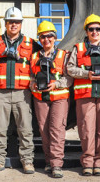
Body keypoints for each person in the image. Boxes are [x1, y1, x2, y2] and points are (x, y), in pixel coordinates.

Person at [0, 7, 42, 174]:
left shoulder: (30, 44)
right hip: (0, 93)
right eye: (11, 22)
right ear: (5, 23)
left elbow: (45, 57)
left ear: (21, 24)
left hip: (22, 94)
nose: (14, 25)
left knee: (25, 129)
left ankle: (27, 161)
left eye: (17, 22)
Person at [67, 14, 100, 177]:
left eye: (98, 29)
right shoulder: (78, 48)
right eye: (91, 29)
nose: (95, 32)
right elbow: (70, 69)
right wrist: (86, 74)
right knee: (86, 129)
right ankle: (88, 162)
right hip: (85, 95)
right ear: (87, 31)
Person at [30, 21, 72, 178]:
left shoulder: (63, 55)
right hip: (40, 98)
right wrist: (33, 84)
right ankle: (49, 161)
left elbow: (69, 79)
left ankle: (56, 164)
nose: (46, 39)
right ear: (39, 39)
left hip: (59, 98)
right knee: (44, 130)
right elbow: (31, 77)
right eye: (42, 37)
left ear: (54, 37)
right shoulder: (34, 57)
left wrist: (56, 84)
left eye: (49, 36)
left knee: (57, 130)